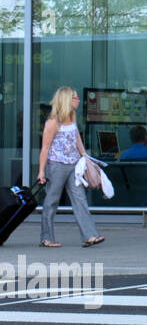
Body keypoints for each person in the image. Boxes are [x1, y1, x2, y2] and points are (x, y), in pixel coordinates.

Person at [36, 87, 105, 248]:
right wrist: (41, 171)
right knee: (52, 200)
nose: (78, 99)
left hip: (73, 164)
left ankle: (90, 235)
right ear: (67, 100)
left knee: (79, 198)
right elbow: (45, 148)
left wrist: (85, 156)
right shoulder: (53, 122)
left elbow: (76, 139)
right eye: (75, 97)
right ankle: (46, 238)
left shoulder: (72, 117)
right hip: (57, 165)